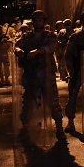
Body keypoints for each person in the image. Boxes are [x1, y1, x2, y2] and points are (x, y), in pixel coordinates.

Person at [14, 10, 65, 140]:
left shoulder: (50, 35)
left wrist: (38, 51)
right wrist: (18, 51)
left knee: (52, 102)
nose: (37, 23)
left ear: (44, 21)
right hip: (31, 74)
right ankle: (25, 127)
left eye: (40, 20)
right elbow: (17, 45)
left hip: (46, 74)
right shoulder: (27, 37)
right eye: (35, 20)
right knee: (28, 103)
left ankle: (59, 128)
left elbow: (51, 47)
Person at [64, 10, 84, 133]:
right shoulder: (76, 37)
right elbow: (68, 55)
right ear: (82, 22)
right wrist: (70, 70)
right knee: (72, 97)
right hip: (78, 70)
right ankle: (70, 121)